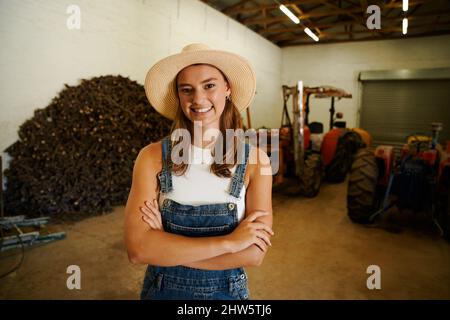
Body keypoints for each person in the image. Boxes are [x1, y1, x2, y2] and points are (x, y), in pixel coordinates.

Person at [124, 43, 274, 300]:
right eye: (187, 90)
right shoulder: (151, 158)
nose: (198, 99)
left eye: (209, 85)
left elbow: (254, 254)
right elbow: (138, 250)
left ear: (228, 88)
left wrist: (166, 248)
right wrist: (229, 243)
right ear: (179, 96)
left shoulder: (256, 161)